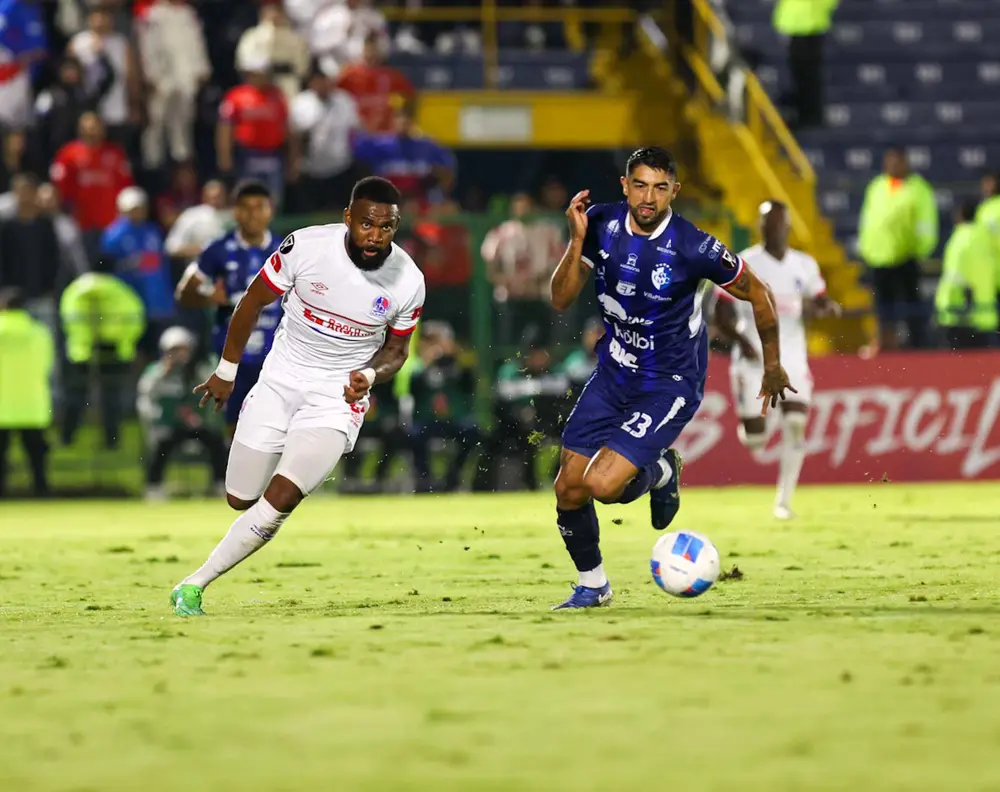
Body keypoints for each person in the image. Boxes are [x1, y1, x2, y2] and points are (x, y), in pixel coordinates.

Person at [548, 146, 792, 610]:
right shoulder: (599, 224)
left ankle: (661, 471)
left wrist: (773, 365)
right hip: (614, 372)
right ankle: (593, 586)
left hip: (668, 382)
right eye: (640, 185)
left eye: (660, 188)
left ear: (674, 191)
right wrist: (576, 240)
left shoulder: (694, 247)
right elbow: (560, 299)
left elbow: (760, 293)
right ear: (625, 186)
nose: (649, 197)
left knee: (603, 486)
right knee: (568, 488)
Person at [169, 176, 425, 616]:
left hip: (337, 398)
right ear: (348, 218)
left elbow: (397, 351)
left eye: (386, 227)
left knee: (282, 499)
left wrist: (369, 374)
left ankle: (194, 585)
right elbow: (251, 302)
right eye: (366, 224)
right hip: (279, 381)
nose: (375, 236)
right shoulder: (306, 246)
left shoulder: (409, 280)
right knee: (239, 497)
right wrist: (226, 372)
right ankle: (261, 484)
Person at [713, 201, 840, 520]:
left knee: (796, 423)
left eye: (779, 222)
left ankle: (783, 502)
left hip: (792, 356)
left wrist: (826, 307)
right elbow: (721, 313)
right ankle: (761, 422)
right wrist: (742, 341)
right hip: (753, 358)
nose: (774, 228)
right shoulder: (744, 263)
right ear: (760, 226)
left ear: (788, 226)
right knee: (756, 441)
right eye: (768, 222)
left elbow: (820, 299)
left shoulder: (804, 265)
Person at [175, 180, 280, 437]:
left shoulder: (285, 250)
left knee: (275, 428)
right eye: (246, 208)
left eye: (259, 207)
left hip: (277, 356)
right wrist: (208, 297)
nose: (253, 214)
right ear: (235, 212)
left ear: (270, 211)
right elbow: (184, 293)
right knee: (235, 427)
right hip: (232, 356)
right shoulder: (217, 249)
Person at [857, 145, 938, 352]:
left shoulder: (918, 188)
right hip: (879, 258)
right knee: (883, 309)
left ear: (905, 163)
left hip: (906, 257)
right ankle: (886, 346)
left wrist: (920, 250)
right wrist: (867, 248)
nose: (892, 165)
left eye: (896, 161)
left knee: (912, 306)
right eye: (889, 161)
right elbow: (867, 220)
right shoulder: (877, 186)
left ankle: (918, 347)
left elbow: (926, 223)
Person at [138, 326, 227, 500]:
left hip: (195, 424)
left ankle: (220, 483)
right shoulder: (155, 371)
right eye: (174, 350)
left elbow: (211, 389)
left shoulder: (198, 370)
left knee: (216, 441)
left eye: (183, 350)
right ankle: (153, 486)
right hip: (168, 424)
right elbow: (145, 394)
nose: (179, 355)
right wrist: (164, 371)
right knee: (162, 444)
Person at [0, 288, 54, 498]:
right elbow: (47, 364)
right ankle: (41, 489)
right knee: (36, 453)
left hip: (2, 404)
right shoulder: (39, 332)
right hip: (32, 402)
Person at [935, 200, 997, 350]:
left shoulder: (960, 238)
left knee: (957, 360)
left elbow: (957, 274)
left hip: (959, 312)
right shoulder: (985, 237)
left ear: (960, 216)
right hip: (984, 312)